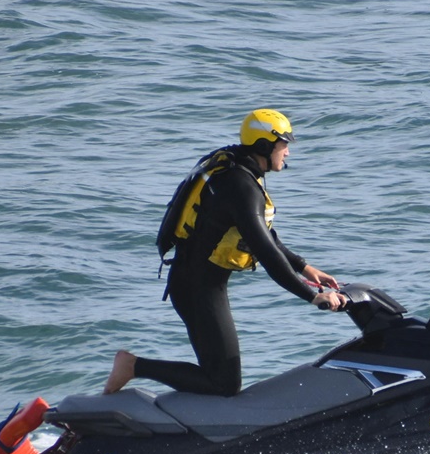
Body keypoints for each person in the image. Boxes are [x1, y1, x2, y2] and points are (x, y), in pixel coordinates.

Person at [104, 109, 347, 397]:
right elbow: (266, 254)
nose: (288, 153)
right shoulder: (240, 186)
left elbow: (263, 234)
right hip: (197, 288)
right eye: (284, 145)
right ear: (263, 146)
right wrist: (313, 296)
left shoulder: (238, 173)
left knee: (218, 376)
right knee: (224, 383)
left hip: (195, 282)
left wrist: (306, 268)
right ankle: (132, 366)